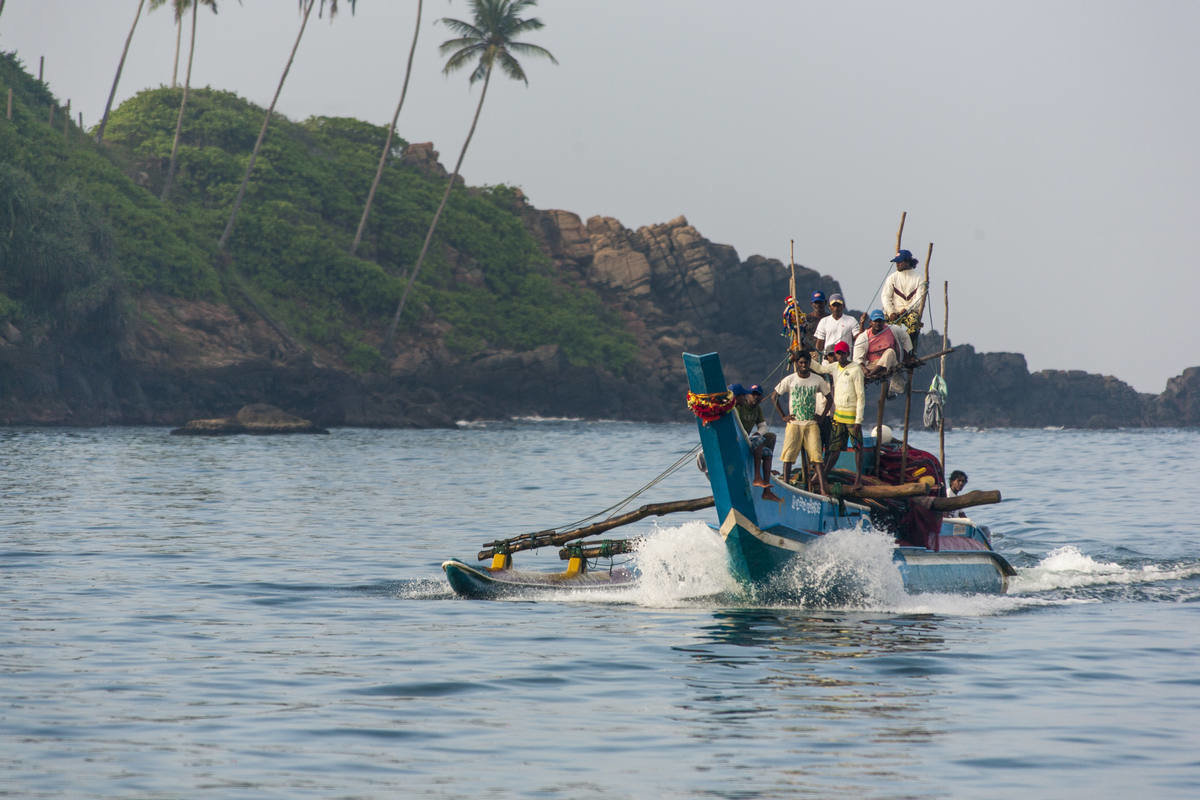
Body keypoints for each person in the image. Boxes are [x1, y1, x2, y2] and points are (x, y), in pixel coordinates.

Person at [771, 350, 832, 494]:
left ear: (810, 364)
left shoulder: (818, 380)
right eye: (801, 363)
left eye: (806, 363)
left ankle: (823, 489)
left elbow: (829, 399)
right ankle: (786, 484)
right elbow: (774, 397)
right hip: (794, 424)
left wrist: (822, 416)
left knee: (817, 457)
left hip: (811, 424)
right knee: (788, 456)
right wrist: (783, 416)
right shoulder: (790, 379)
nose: (804, 365)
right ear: (797, 364)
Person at [809, 340, 865, 487]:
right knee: (834, 448)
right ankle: (823, 476)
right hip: (838, 415)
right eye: (837, 353)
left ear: (848, 354)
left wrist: (859, 420)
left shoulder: (856, 369)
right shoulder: (834, 367)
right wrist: (807, 358)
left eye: (842, 353)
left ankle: (858, 479)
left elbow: (861, 396)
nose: (840, 356)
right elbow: (821, 369)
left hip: (852, 416)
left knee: (857, 447)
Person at [731, 383, 780, 502]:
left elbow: (763, 426)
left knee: (768, 448)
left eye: (758, 395)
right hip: (740, 440)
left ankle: (767, 489)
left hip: (748, 438)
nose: (755, 397)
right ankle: (757, 477)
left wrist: (757, 434)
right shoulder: (739, 406)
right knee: (759, 440)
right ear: (747, 396)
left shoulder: (757, 409)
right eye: (753, 394)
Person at [854, 309, 913, 395]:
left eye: (880, 321)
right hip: (872, 364)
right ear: (870, 322)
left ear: (884, 322)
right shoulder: (864, 337)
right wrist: (864, 369)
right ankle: (869, 374)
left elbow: (905, 337)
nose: (878, 323)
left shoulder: (892, 329)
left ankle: (871, 374)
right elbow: (857, 358)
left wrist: (906, 355)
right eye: (875, 321)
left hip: (890, 362)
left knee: (890, 352)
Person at [881, 249, 927, 337]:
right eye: (896, 262)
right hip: (893, 312)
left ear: (907, 262)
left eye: (900, 262)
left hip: (910, 312)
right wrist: (891, 312)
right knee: (880, 322)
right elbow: (885, 297)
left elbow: (919, 299)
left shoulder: (919, 279)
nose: (897, 264)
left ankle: (908, 347)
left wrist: (907, 310)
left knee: (914, 324)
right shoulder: (892, 278)